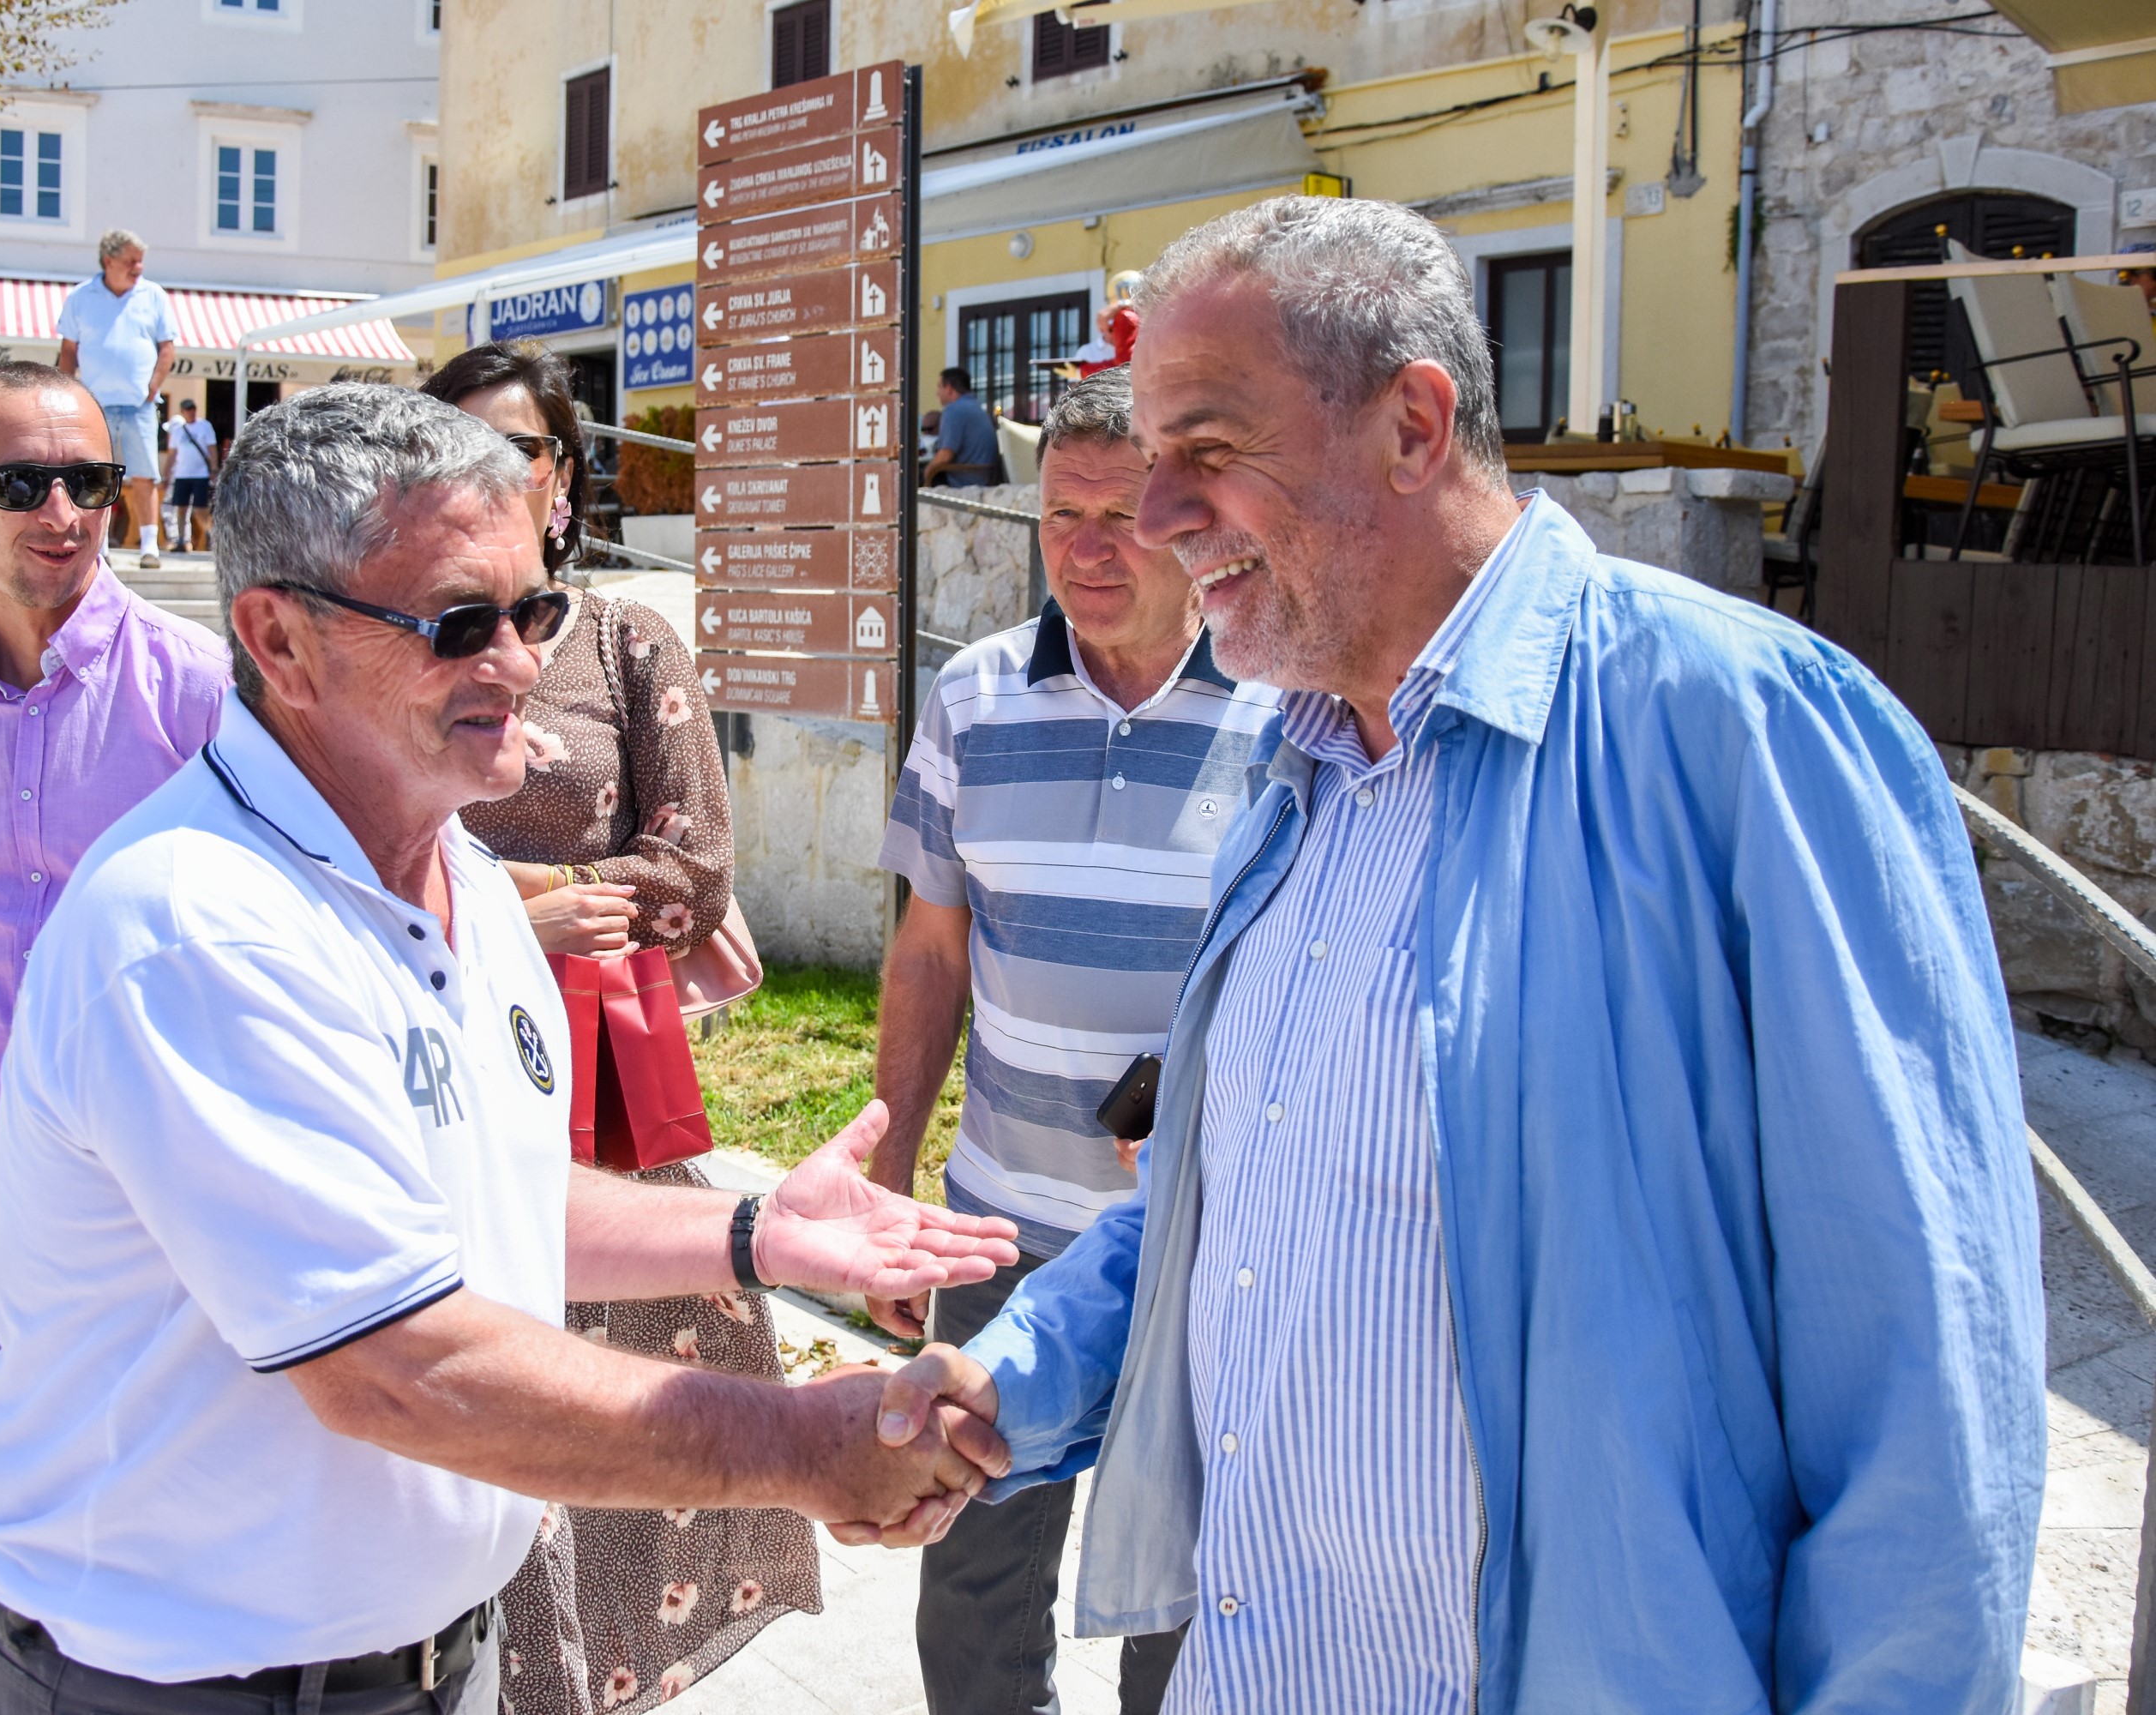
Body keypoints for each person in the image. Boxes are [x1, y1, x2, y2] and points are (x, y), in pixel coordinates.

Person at [875, 195, 2043, 1711]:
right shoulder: (1294, 774)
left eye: (1208, 452)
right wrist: (1007, 1379)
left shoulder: (1743, 730)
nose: (1157, 519)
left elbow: (1925, 1407)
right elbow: (1222, 1204)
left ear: (1414, 424)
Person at [0, 383, 1019, 1715]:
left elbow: (477, 1201)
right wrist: (799, 1444)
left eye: (533, 609)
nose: (519, 663)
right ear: (277, 640)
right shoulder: (199, 934)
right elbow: (403, 1371)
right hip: (187, 1689)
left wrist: (750, 1233)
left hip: (421, 1666)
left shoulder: (449, 860)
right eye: (461, 623)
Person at [871, 364, 1277, 1715]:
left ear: (1184, 518)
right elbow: (931, 951)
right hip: (997, 1237)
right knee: (975, 1599)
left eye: (1121, 516)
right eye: (1060, 518)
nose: (1088, 551)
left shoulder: (1284, 714)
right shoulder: (973, 702)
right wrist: (887, 1182)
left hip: (1200, 1250)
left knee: (1190, 1604)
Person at [425, 342, 803, 1714]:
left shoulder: (628, 640)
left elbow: (696, 864)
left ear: (563, 476)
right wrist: (515, 912)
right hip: (434, 1084)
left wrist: (565, 898)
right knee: (474, 1411)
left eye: (509, 451)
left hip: (608, 1093)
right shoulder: (392, 640)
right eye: (445, 446)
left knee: (618, 1405)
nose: (478, 476)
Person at [0, 358, 230, 1429]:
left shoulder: (204, 691)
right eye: (23, 484)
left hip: (156, 1201)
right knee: (22, 1523)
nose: (67, 512)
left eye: (90, 478)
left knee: (176, 1538)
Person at [56, 226, 177, 570]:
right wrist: (67, 394)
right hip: (94, 406)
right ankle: (100, 549)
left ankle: (149, 548)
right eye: (132, 261)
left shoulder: (154, 295)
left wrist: (154, 386)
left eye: (141, 261)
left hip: (140, 405)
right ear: (108, 260)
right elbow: (68, 350)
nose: (139, 267)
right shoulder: (81, 297)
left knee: (145, 476)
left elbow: (167, 348)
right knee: (96, 478)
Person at [925, 366, 1000, 488]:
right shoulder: (976, 407)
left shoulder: (953, 410)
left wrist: (926, 472)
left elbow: (945, 455)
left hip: (964, 480)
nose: (937, 393)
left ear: (949, 388)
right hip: (985, 476)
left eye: (939, 386)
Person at [162, 395, 218, 552]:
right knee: (181, 508)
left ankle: (211, 537)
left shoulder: (204, 426)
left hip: (200, 474)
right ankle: (182, 540)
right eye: (188, 409)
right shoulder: (178, 430)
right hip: (182, 474)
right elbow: (172, 454)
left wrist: (213, 468)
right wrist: (166, 474)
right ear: (182, 412)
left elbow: (212, 448)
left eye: (193, 408)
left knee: (201, 509)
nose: (191, 411)